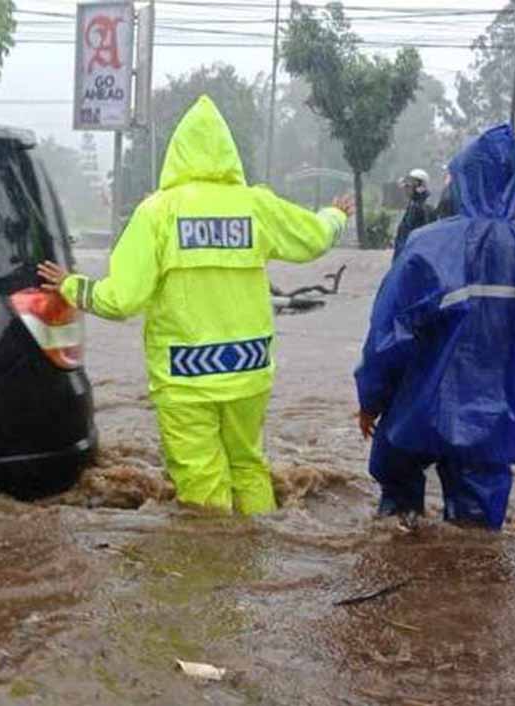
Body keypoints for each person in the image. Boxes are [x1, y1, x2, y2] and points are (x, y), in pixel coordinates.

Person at [38, 95, 354, 515]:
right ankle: (260, 557)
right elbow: (313, 237)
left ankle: (211, 570)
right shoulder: (254, 205)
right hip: (249, 370)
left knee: (201, 477)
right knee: (248, 466)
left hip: (186, 374)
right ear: (228, 154)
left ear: (177, 154)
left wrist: (72, 287)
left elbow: (121, 300)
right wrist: (335, 215)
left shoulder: (158, 213)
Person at [354, 123, 515, 530]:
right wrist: (507, 390)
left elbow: (387, 336)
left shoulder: (426, 245)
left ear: (464, 180)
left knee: (396, 526)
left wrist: (370, 400)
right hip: (493, 422)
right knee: (478, 542)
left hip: (414, 412)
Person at [393, 168, 435, 261]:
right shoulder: (413, 206)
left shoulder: (421, 209)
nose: (406, 190)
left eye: (409, 186)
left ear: (419, 187)